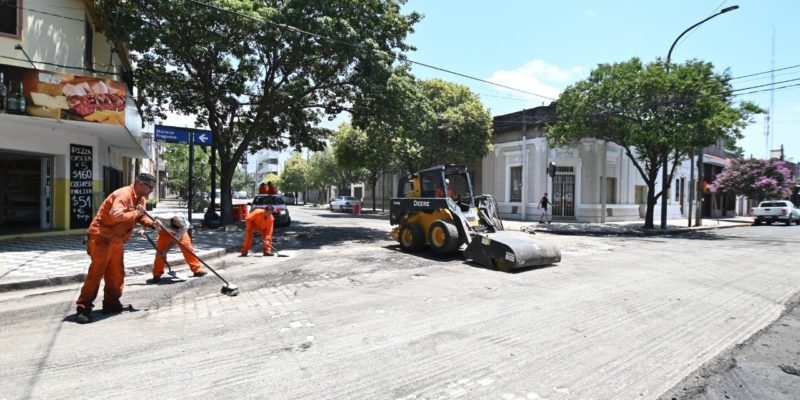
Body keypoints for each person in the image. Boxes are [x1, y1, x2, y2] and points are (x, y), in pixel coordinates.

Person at [74, 173, 161, 324]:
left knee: (116, 273)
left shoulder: (140, 198)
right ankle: (83, 308)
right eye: (150, 187)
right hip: (101, 237)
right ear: (140, 183)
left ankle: (111, 303)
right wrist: (137, 212)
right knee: (96, 273)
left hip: (116, 239)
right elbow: (116, 215)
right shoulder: (123, 194)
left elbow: (140, 217)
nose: (151, 190)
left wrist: (151, 223)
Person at [149, 212, 207, 283]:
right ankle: (157, 275)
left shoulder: (184, 227)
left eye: (182, 225)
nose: (181, 226)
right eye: (180, 225)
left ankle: (197, 270)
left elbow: (175, 240)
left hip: (179, 235)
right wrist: (149, 226)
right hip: (165, 233)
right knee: (160, 252)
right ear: (175, 221)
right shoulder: (163, 217)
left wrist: (166, 250)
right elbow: (148, 218)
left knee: (188, 250)